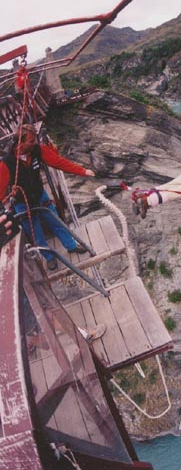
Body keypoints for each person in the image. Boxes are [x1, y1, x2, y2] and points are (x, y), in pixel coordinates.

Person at [0, 124, 95, 270]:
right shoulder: (6, 164)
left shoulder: (38, 151)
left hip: (40, 195)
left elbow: (58, 162)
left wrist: (82, 171)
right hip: (22, 202)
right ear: (20, 142)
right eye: (31, 141)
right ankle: (49, 257)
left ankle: (70, 245)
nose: (34, 143)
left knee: (55, 220)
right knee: (35, 231)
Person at [0, 213, 106, 343]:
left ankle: (31, 342)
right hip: (8, 274)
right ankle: (82, 336)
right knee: (40, 309)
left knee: (24, 313)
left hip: (8, 273)